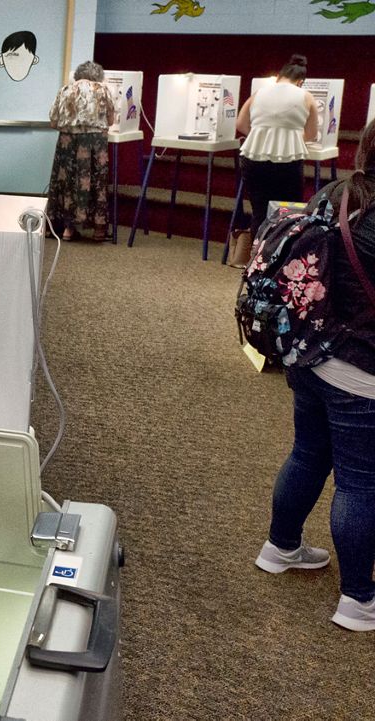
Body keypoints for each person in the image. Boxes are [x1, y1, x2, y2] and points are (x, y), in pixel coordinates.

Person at [255, 119, 375, 632]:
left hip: (310, 353)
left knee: (308, 452)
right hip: (362, 372)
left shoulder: (334, 194)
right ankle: (358, 599)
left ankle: (279, 547)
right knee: (360, 481)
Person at [232, 54, 319, 265]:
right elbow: (312, 134)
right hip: (289, 159)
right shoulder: (306, 96)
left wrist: (263, 133)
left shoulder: (259, 93)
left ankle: (255, 263)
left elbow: (241, 124)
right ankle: (281, 263)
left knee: (259, 212)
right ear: (301, 81)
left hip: (253, 157)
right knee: (289, 213)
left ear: (279, 76)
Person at [44, 60, 116, 242]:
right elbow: (110, 120)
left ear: (77, 75)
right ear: (98, 75)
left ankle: (67, 229)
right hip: (95, 144)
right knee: (95, 183)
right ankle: (99, 231)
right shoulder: (103, 90)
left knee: (67, 183)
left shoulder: (65, 90)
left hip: (68, 142)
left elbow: (53, 121)